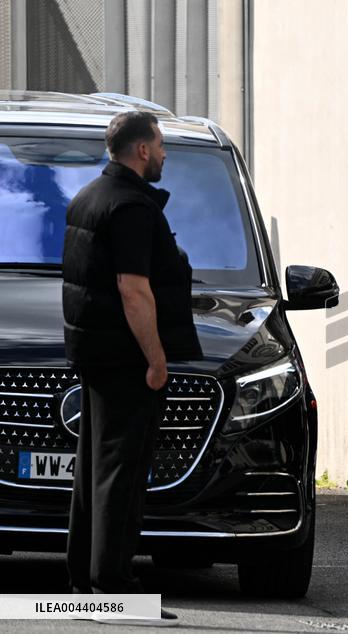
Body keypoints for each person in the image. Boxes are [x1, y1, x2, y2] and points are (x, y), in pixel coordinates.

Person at [63, 110, 202, 625]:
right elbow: (133, 290)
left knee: (95, 473)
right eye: (160, 144)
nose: (164, 153)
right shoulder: (130, 206)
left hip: (96, 355)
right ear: (142, 150)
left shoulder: (89, 196)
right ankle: (114, 589)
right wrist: (156, 359)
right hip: (127, 360)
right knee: (121, 476)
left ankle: (86, 584)